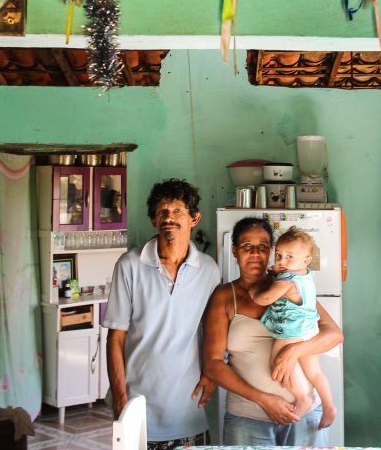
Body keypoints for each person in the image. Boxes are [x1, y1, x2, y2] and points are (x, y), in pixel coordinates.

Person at [202, 217, 344, 446]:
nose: (255, 253)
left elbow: (334, 335)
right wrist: (264, 400)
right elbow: (213, 364)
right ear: (235, 250)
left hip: (304, 416)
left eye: (263, 247)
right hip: (248, 418)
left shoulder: (289, 286)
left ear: (270, 250)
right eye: (247, 246)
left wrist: (294, 352)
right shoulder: (224, 296)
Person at [102, 179, 221, 450]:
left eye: (178, 211)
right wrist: (120, 398)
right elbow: (115, 338)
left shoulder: (209, 270)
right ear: (154, 221)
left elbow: (215, 330)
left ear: (194, 218)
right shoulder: (130, 265)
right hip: (138, 408)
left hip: (188, 407)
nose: (169, 218)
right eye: (162, 212)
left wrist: (212, 374)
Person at [248, 226, 337, 428]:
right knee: (314, 372)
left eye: (289, 257)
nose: (281, 261)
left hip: (291, 332)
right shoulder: (304, 275)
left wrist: (255, 291)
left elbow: (265, 299)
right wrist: (277, 273)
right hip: (309, 330)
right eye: (279, 255)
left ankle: (302, 398)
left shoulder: (287, 282)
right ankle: (330, 406)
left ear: (307, 259)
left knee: (277, 365)